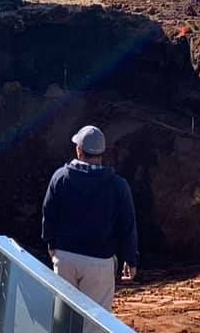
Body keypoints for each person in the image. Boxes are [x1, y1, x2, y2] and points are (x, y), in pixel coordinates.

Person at [41, 125, 139, 323]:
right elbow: (127, 224)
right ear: (102, 152)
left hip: (65, 256)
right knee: (95, 322)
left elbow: (48, 213)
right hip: (99, 262)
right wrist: (130, 258)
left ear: (79, 150)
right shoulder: (117, 185)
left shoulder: (60, 177)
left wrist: (51, 245)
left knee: (63, 320)